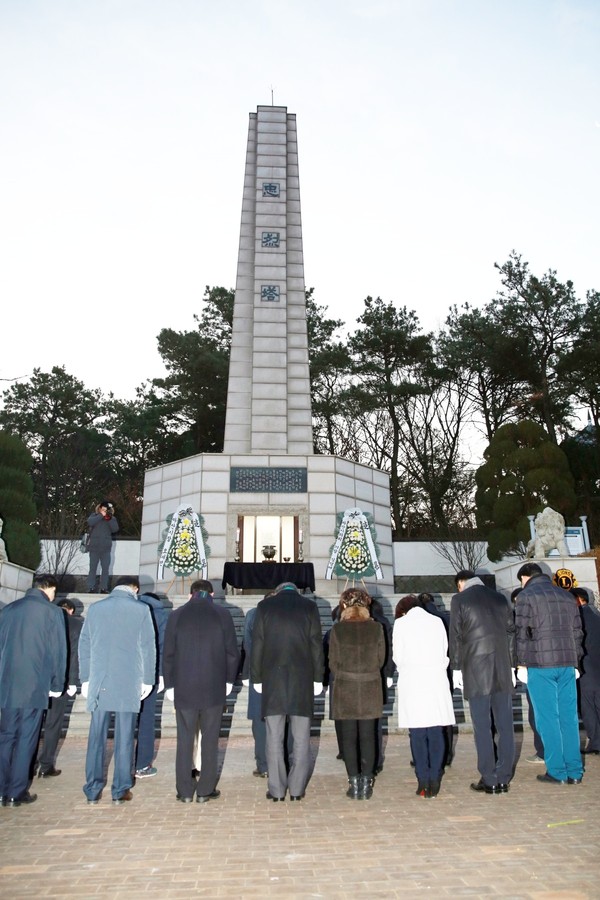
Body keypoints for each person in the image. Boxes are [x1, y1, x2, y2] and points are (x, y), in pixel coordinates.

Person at [79, 575, 156, 804]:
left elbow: (85, 643)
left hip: (100, 681)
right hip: (128, 681)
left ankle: (92, 789)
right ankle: (120, 789)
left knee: (96, 738)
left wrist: (85, 678)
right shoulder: (141, 609)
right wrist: (148, 680)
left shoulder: (95, 609)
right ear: (134, 589)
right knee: (124, 738)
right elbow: (148, 647)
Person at [163, 579, 239, 803]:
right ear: (212, 594)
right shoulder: (223, 615)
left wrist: (169, 684)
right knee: (210, 739)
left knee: (184, 738)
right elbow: (232, 653)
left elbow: (168, 654)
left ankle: (184, 790)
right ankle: (205, 789)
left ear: (191, 594)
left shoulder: (176, 616)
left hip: (184, 686)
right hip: (213, 687)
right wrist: (228, 681)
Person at [250, 581, 324, 802]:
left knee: (274, 737)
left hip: (273, 680)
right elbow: (316, 646)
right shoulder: (309, 607)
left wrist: (257, 677)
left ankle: (277, 790)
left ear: (279, 590)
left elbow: (257, 645)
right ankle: (297, 789)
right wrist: (318, 678)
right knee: (301, 738)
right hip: (302, 680)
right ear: (296, 590)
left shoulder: (265, 607)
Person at [0, 574, 67, 807]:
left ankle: (1, 788)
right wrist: (58, 685)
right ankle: (16, 792)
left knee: (6, 736)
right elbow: (58, 652)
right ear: (47, 588)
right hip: (35, 686)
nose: (54, 597)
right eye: (54, 592)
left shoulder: (8, 610)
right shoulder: (52, 613)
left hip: (7, 685)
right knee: (27, 737)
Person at [515, 562, 583, 786]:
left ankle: (557, 771)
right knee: (568, 718)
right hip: (567, 664)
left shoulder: (527, 596)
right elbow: (577, 632)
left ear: (526, 578)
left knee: (547, 720)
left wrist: (521, 664)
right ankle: (574, 770)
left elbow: (522, 633)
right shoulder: (566, 596)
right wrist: (576, 662)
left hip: (540, 664)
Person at [449, 569, 516, 795]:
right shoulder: (499, 597)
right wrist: (513, 665)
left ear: (461, 583)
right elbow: (511, 633)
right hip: (502, 668)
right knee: (506, 725)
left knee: (482, 726)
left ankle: (489, 777)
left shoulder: (460, 599)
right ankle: (504, 776)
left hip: (476, 670)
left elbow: (456, 635)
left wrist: (456, 667)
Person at [393, 594, 455, 798]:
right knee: (436, 730)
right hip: (436, 679)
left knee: (418, 732)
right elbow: (445, 650)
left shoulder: (401, 624)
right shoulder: (436, 621)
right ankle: (435, 777)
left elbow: (398, 657)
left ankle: (422, 779)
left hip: (413, 680)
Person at [328, 588, 385, 800]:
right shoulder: (376, 628)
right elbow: (381, 659)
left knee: (349, 738)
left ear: (344, 606)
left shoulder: (338, 630)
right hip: (370, 687)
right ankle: (367, 782)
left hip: (345, 688)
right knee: (368, 737)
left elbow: (332, 662)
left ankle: (353, 783)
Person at [36, 599, 84, 778]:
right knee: (53, 724)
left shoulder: (44, 621)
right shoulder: (76, 625)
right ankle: (46, 763)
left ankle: (31, 762)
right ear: (71, 610)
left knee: (35, 723)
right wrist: (73, 681)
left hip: (40, 679)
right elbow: (75, 656)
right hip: (62, 680)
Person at [134, 591, 171, 779]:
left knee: (127, 721)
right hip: (151, 672)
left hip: (128, 673)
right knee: (147, 720)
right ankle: (142, 765)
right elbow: (164, 646)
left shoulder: (132, 610)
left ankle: (125, 764)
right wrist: (163, 675)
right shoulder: (162, 615)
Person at [511, 586, 544, 764]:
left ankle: (544, 750)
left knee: (538, 713)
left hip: (535, 667)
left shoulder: (526, 620)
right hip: (531, 668)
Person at [241, 601, 269, 778]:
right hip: (280, 673)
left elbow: (248, 646)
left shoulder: (253, 614)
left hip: (257, 671)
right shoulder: (280, 613)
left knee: (259, 720)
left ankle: (263, 764)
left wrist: (248, 672)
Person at [572, 587, 600, 755]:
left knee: (588, 707)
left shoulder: (579, 618)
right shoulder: (596, 615)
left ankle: (596, 742)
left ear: (578, 600)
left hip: (587, 668)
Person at [86, 500, 119, 593]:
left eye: (106, 509)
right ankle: (91, 587)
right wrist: (101, 516)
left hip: (106, 549)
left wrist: (108, 518)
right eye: (102, 509)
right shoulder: (94, 516)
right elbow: (90, 522)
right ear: (99, 508)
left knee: (105, 569)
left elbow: (115, 529)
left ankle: (104, 588)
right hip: (94, 548)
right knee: (92, 569)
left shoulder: (112, 518)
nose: (104, 510)